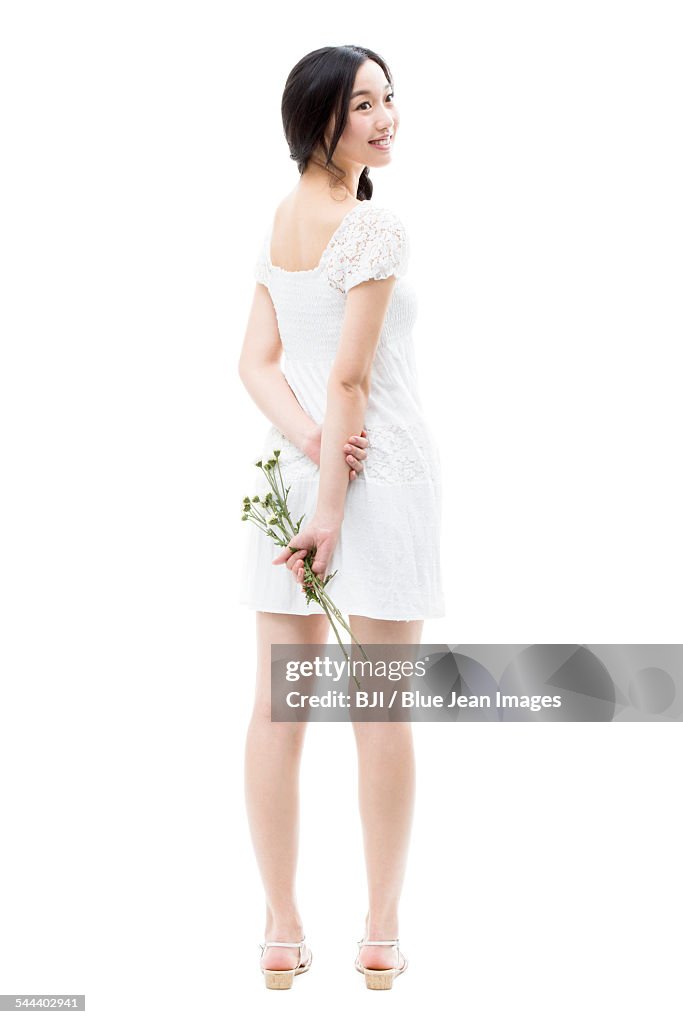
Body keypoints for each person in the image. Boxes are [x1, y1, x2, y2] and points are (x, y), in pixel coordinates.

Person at [237, 44, 445, 990]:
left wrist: (312, 446)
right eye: (362, 103)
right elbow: (350, 376)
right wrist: (331, 499)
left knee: (281, 711)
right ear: (317, 118)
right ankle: (381, 932)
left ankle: (281, 932)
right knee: (379, 712)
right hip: (373, 480)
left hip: (296, 472)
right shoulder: (374, 228)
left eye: (389, 98)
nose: (385, 116)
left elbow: (256, 365)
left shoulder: (284, 221)